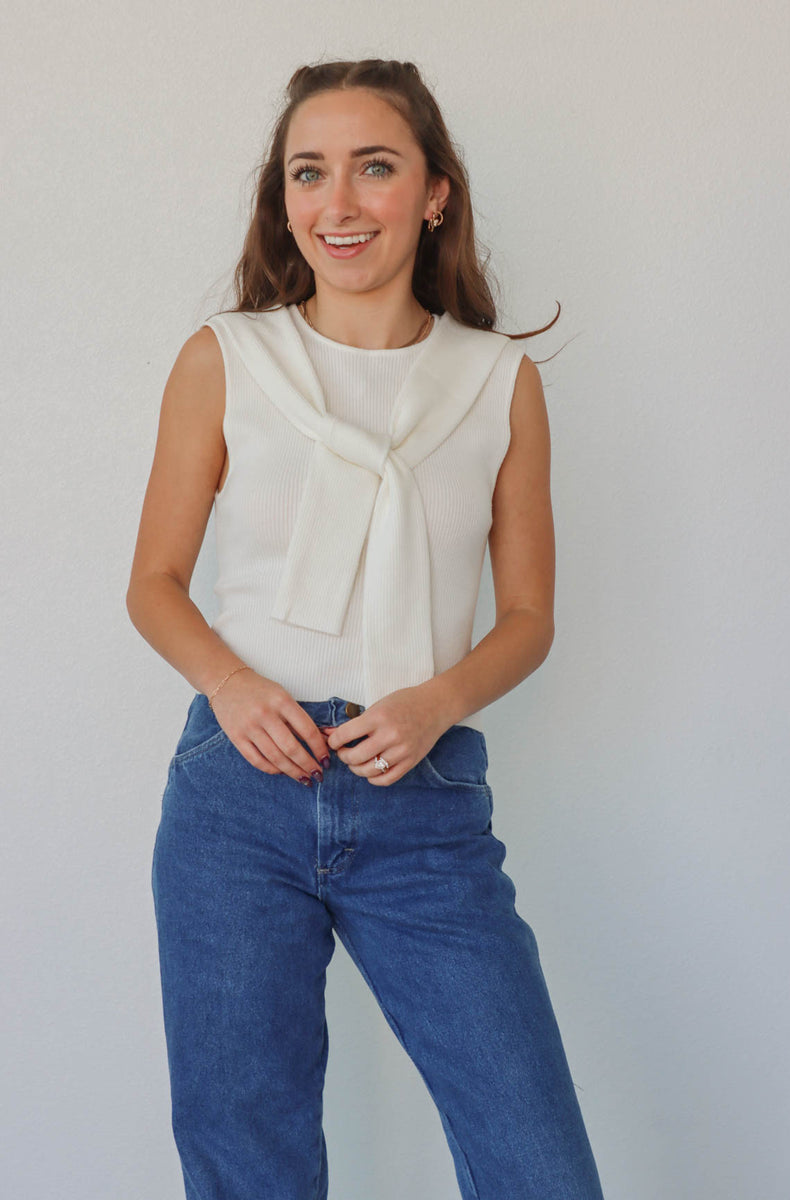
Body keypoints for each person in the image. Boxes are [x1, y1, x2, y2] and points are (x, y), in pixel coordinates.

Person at [126, 57, 605, 1200]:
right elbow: (154, 580)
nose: (337, 204)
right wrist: (236, 690)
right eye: (309, 173)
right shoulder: (226, 359)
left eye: (373, 168)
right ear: (283, 199)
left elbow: (529, 617)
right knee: (249, 1162)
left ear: (433, 191)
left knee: (535, 1163)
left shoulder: (496, 382)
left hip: (422, 801)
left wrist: (433, 701)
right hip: (239, 794)